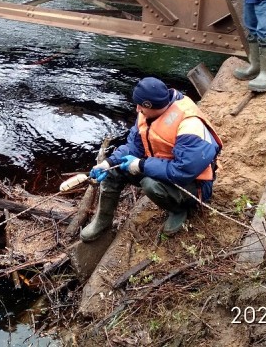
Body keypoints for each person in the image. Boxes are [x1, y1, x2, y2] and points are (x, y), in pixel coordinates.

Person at [81, 77, 222, 241]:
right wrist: (109, 163)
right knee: (112, 172)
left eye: (141, 105)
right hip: (162, 167)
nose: (137, 109)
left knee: (150, 184)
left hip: (194, 185)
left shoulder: (189, 124)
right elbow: (134, 147)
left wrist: (141, 164)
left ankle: (179, 210)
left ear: (151, 105)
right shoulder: (147, 114)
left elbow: (182, 171)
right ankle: (103, 221)